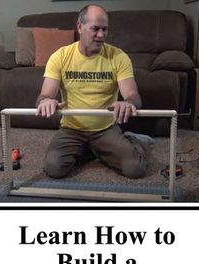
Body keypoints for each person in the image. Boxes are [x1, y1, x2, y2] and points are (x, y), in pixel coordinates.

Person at [36, 4, 151, 179]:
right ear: (80, 27)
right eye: (95, 29)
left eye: (105, 29)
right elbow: (44, 95)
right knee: (54, 168)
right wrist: (45, 101)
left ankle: (132, 140)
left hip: (105, 129)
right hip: (72, 129)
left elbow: (133, 96)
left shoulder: (118, 57)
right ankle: (93, 150)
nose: (101, 35)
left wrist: (128, 103)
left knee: (136, 169)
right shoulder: (60, 56)